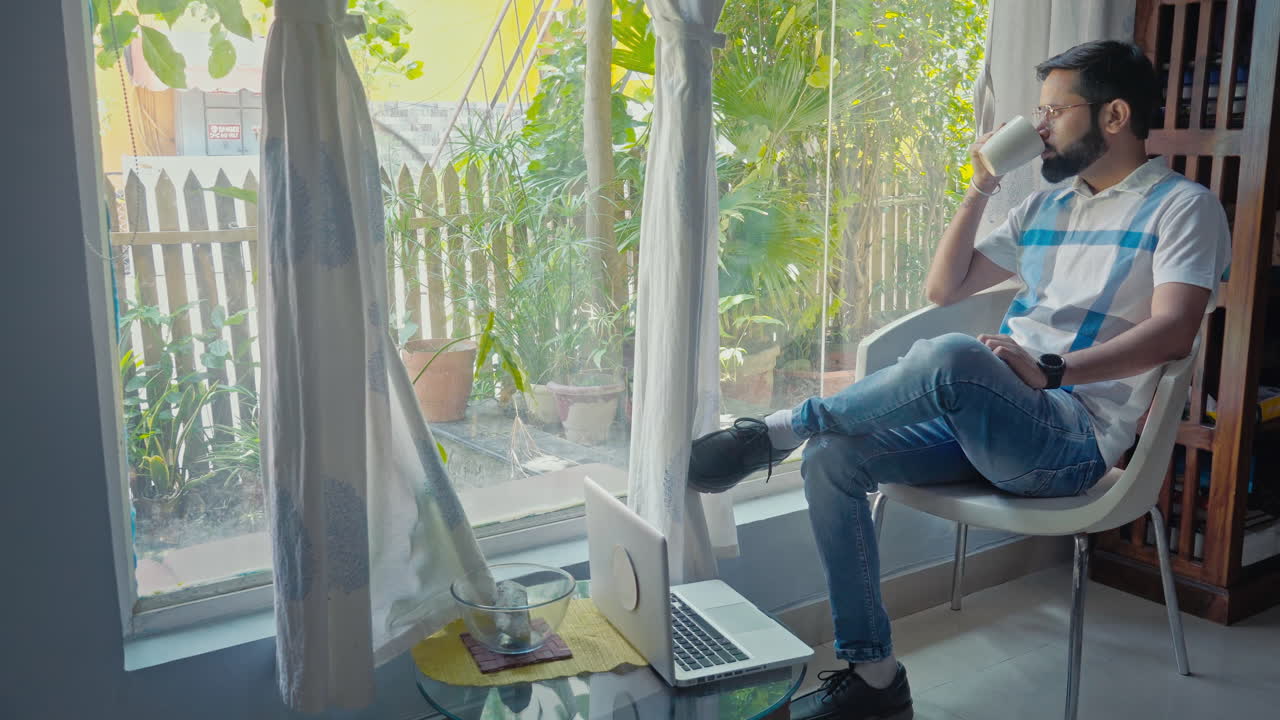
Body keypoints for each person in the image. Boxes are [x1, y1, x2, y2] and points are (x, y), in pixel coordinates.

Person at [687, 40, 1231, 720]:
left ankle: (777, 430)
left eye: (1055, 111)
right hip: (993, 424)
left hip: (1071, 442)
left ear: (1114, 115)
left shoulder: (1184, 208)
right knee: (832, 459)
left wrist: (1051, 369)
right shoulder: (1046, 208)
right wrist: (980, 182)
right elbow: (945, 285)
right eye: (1038, 112)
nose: (1039, 128)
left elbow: (1176, 330)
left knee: (951, 356)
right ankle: (876, 678)